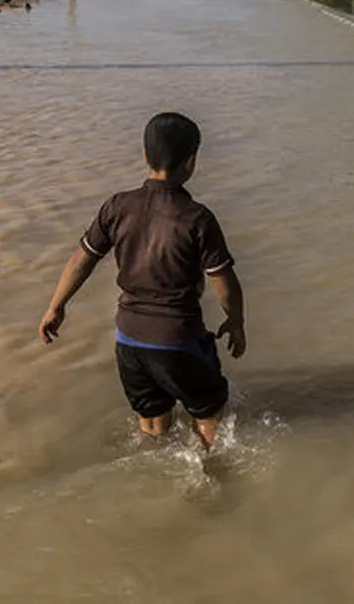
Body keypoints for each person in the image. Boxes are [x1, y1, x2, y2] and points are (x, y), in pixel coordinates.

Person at [37, 112, 247, 450]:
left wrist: (55, 307)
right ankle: (211, 472)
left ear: (145, 155)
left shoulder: (117, 207)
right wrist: (236, 322)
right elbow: (225, 282)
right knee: (210, 415)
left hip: (129, 342)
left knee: (152, 426)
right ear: (191, 161)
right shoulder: (197, 218)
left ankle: (154, 473)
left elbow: (81, 260)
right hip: (179, 340)